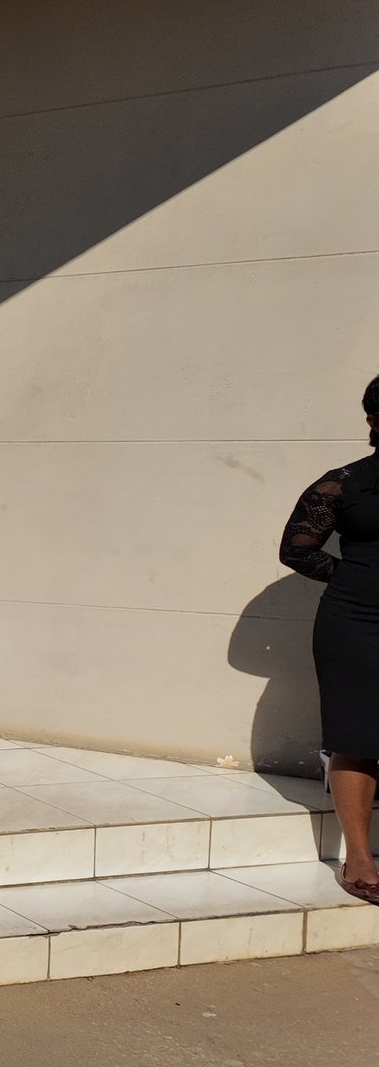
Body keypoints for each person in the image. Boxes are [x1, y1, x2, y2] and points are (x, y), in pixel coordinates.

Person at [279, 373, 379, 903]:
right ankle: (359, 856)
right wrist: (352, 579)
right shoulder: (341, 483)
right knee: (357, 734)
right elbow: (296, 548)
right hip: (356, 621)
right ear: (372, 420)